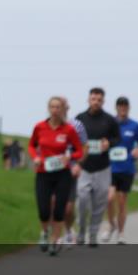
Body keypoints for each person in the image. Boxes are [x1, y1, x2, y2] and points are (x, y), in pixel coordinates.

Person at [28, 96, 84, 256]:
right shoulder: (39, 127)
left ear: (63, 109)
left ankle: (54, 240)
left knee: (60, 209)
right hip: (43, 173)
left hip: (62, 174)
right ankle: (44, 233)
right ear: (48, 109)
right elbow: (32, 145)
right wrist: (35, 158)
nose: (55, 110)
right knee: (44, 209)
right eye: (52, 107)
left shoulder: (68, 129)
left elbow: (79, 150)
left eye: (58, 107)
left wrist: (70, 157)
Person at [74, 87, 121, 247]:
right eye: (93, 99)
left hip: (102, 167)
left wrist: (109, 143)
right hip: (84, 167)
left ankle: (93, 234)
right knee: (82, 199)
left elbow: (117, 138)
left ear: (103, 101)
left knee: (99, 203)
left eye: (99, 100)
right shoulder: (79, 118)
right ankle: (81, 231)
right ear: (88, 99)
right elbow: (73, 139)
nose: (96, 102)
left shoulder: (109, 120)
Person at [102, 97, 138, 245]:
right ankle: (111, 225)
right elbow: (102, 140)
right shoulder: (109, 124)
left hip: (127, 168)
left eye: (125, 106)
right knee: (109, 198)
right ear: (116, 108)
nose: (123, 108)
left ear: (128, 108)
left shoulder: (135, 126)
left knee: (121, 202)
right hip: (110, 167)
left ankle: (121, 233)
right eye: (120, 106)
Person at [61, 96, 86, 245]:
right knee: (52, 203)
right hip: (51, 171)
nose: (59, 109)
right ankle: (51, 234)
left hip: (70, 170)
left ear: (67, 108)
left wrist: (79, 164)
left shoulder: (77, 125)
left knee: (68, 208)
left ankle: (69, 230)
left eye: (62, 106)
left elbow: (84, 148)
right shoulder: (46, 125)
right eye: (56, 106)